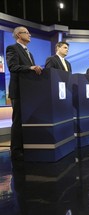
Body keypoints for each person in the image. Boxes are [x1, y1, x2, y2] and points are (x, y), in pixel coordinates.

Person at [6, 26, 42, 160]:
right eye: (26, 33)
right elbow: (12, 67)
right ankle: (16, 150)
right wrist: (30, 67)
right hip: (18, 91)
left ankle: (27, 146)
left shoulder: (29, 53)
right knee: (18, 120)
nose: (30, 35)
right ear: (18, 35)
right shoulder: (12, 48)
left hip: (29, 92)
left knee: (28, 120)